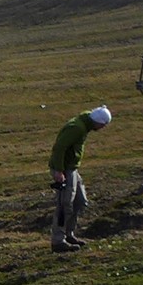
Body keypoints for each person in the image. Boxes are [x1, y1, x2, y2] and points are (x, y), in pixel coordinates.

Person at [50, 105, 113, 252]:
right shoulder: (77, 128)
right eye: (103, 125)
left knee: (80, 201)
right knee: (65, 204)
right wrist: (59, 171)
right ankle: (58, 241)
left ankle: (68, 234)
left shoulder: (84, 125)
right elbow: (59, 147)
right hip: (65, 169)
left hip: (71, 168)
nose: (103, 128)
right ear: (98, 121)